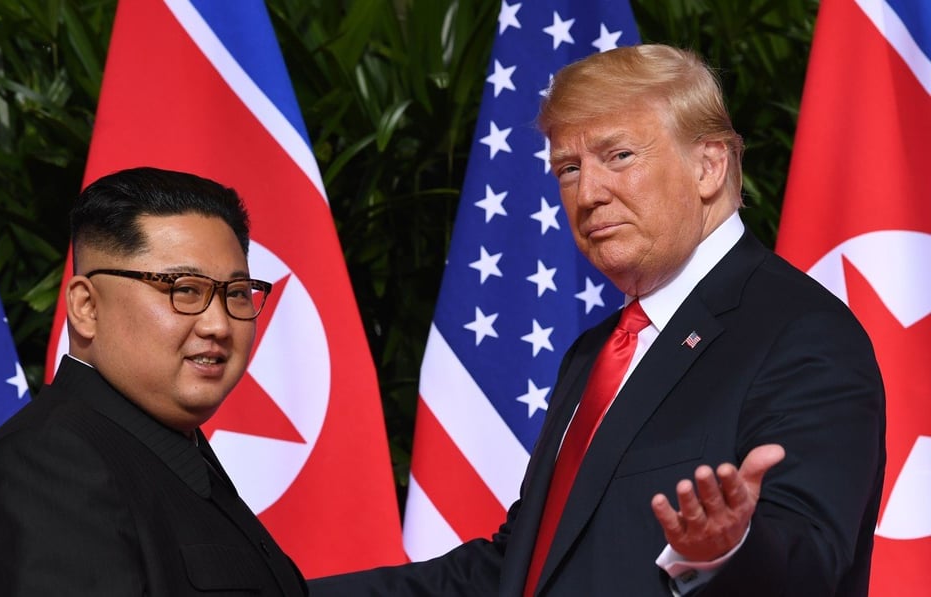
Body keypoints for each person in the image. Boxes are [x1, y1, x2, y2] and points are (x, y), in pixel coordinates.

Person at [310, 44, 885, 596]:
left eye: (619, 156)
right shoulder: (595, 353)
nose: (587, 194)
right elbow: (520, 572)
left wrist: (727, 551)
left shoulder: (801, 332)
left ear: (709, 166)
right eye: (568, 168)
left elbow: (810, 563)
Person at [0, 167, 307, 596]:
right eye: (184, 289)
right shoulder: (48, 462)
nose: (218, 324)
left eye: (236, 293)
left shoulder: (170, 450)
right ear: (86, 307)